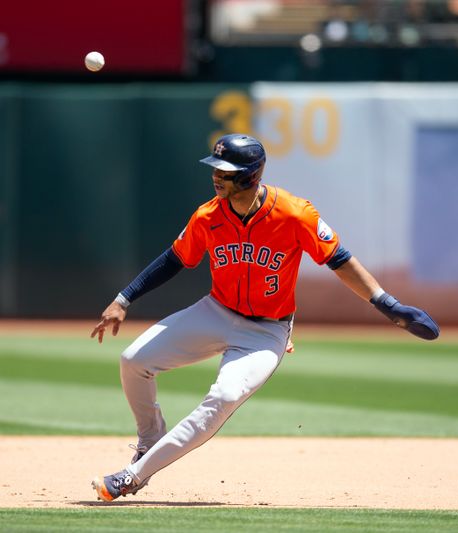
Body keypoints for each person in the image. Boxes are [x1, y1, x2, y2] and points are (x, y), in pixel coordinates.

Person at [90, 133, 439, 502]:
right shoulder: (209, 215)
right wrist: (123, 298)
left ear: (250, 176)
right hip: (216, 311)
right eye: (216, 168)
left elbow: (340, 260)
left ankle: (132, 476)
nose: (216, 176)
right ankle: (149, 439)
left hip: (266, 331)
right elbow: (173, 260)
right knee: (133, 361)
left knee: (222, 397)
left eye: (225, 170)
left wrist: (384, 302)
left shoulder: (293, 213)